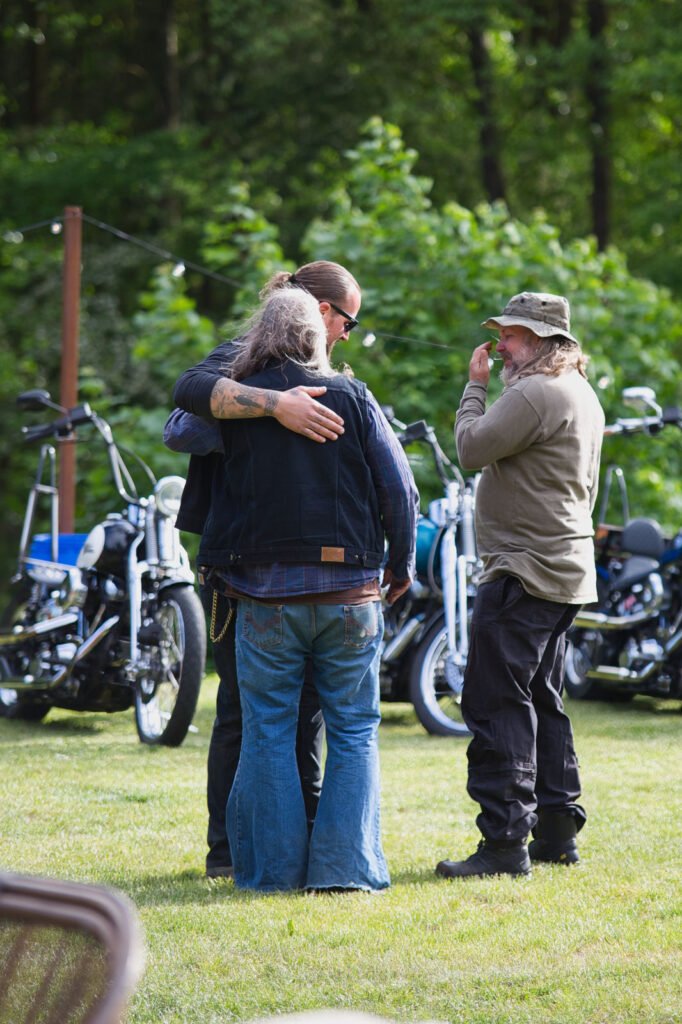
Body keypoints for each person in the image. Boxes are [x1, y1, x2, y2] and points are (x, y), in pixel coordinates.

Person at [174, 267, 418, 892]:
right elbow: (400, 488)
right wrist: (401, 565)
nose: (348, 333)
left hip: (261, 594)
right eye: (346, 321)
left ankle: (270, 872)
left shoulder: (235, 401)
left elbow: (183, 427)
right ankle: (345, 872)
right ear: (319, 317)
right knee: (353, 730)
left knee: (266, 729)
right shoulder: (353, 396)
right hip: (350, 594)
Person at [436, 291, 604, 879]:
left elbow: (470, 448)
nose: (500, 343)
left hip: (523, 571)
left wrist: (474, 387)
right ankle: (557, 833)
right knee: (541, 699)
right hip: (564, 570)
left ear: (540, 340)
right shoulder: (579, 391)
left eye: (509, 334)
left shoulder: (534, 392)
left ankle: (505, 845)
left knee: (495, 702)